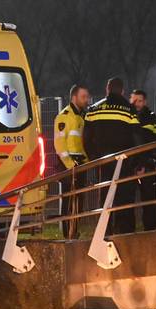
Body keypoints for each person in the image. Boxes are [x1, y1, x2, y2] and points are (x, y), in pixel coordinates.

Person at [83, 76, 146, 235]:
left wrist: (94, 159)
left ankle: (104, 233)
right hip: (125, 163)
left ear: (107, 89)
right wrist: (137, 162)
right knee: (124, 201)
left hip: (103, 163)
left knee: (105, 199)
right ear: (122, 91)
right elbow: (137, 137)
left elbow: (86, 139)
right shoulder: (129, 109)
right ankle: (124, 235)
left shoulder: (94, 109)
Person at [53, 84, 91, 238]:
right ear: (74, 97)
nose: (86, 99)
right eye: (83, 97)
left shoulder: (82, 116)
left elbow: (81, 143)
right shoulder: (64, 116)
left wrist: (86, 162)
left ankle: (74, 232)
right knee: (69, 202)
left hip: (80, 164)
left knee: (79, 202)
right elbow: (59, 144)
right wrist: (69, 165)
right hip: (68, 165)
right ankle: (67, 234)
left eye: (87, 96)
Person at [129, 89, 156, 231]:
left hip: (149, 166)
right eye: (134, 100)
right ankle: (128, 233)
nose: (136, 103)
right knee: (127, 203)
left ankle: (150, 232)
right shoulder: (127, 115)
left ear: (145, 102)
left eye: (139, 100)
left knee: (149, 202)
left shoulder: (151, 118)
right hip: (130, 166)